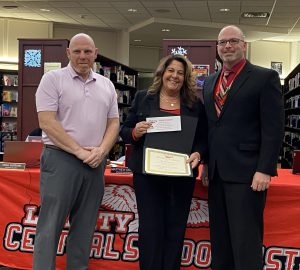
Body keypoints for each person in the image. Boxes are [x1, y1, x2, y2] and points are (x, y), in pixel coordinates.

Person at [33, 33, 119, 269]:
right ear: (68, 52)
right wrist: (80, 152)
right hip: (61, 160)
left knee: (84, 228)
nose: (83, 56)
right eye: (78, 51)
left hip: (95, 162)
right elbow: (47, 123)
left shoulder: (106, 84)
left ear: (95, 53)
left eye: (88, 51)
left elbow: (114, 123)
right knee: (50, 227)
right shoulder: (52, 80)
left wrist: (101, 151)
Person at [201, 25, 284, 270]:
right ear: (217, 48)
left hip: (248, 174)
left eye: (233, 41)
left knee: (245, 241)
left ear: (244, 45)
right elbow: (210, 127)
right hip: (216, 174)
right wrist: (206, 163)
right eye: (222, 42)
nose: (227, 46)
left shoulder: (264, 77)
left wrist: (265, 169)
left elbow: (273, 127)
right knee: (221, 241)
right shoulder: (209, 82)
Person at [120, 54, 207, 270]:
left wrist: (198, 153)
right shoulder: (143, 97)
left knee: (175, 228)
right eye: (171, 71)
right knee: (150, 229)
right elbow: (125, 130)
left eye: (180, 72)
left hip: (180, 175)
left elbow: (203, 138)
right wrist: (135, 132)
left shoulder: (194, 104)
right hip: (148, 176)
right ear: (162, 73)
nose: (175, 76)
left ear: (185, 77)